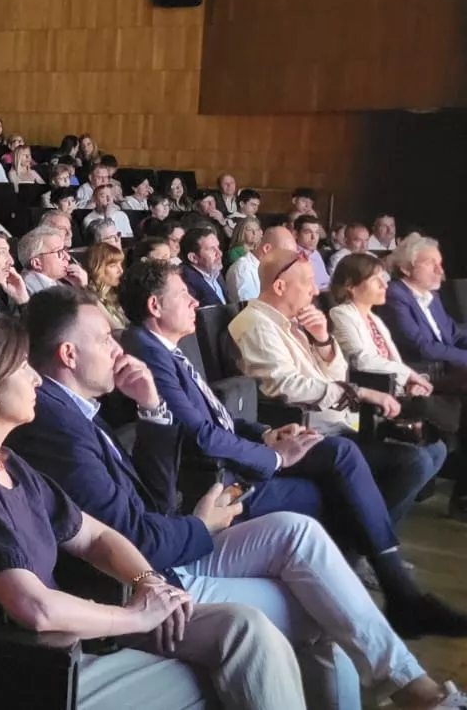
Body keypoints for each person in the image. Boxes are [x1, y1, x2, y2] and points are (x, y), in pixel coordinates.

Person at [12, 286, 467, 707]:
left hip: (168, 541)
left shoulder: (77, 408)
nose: (118, 348)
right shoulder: (57, 428)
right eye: (105, 339)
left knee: (298, 530)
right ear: (68, 354)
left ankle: (408, 683)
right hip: (142, 577)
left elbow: (153, 497)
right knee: (326, 608)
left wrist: (152, 410)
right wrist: (202, 525)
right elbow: (133, 537)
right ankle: (413, 687)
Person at [0, 314, 305, 710]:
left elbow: (95, 536)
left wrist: (148, 583)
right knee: (221, 675)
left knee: (244, 630)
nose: (37, 377)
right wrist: (134, 616)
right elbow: (34, 608)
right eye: (22, 367)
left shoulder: (8, 463)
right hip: (34, 670)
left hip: (79, 636)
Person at [121, 259, 467, 642]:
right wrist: (275, 457)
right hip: (215, 481)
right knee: (338, 469)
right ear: (156, 307)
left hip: (252, 449)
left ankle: (386, 594)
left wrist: (267, 434)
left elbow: (216, 417)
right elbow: (202, 435)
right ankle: (393, 594)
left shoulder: (166, 347)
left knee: (347, 466)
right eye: (184, 294)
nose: (193, 302)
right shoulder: (148, 352)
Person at [230, 247, 447, 530]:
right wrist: (359, 392)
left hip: (339, 421)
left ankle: (365, 540)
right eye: (307, 281)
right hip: (308, 430)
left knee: (434, 448)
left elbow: (335, 374)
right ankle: (359, 547)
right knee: (413, 462)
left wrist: (322, 340)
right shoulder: (257, 325)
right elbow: (284, 386)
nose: (316, 290)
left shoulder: (291, 321)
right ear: (280, 286)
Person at [330, 252, 466, 514]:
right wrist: (409, 376)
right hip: (371, 398)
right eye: (376, 280)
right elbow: (362, 360)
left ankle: (382, 522)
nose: (384, 285)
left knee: (437, 448)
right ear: (350, 285)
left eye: (384, 279)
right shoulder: (342, 314)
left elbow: (393, 360)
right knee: (448, 419)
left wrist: (411, 381)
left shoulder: (375, 319)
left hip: (397, 390)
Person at [378, 234, 467, 373]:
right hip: (422, 373)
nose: (440, 271)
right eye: (431, 264)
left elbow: (453, 333)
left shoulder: (431, 294)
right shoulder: (394, 296)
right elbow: (422, 347)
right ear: (406, 268)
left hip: (447, 368)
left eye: (440, 264)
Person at [226, 224, 294, 304]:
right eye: (285, 256)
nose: (288, 262)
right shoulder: (243, 269)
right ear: (267, 249)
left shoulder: (271, 270)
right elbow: (251, 311)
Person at [17, 225, 87, 294]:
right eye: (59, 252)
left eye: (65, 250)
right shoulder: (28, 291)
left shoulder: (57, 284)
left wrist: (79, 286)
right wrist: (83, 289)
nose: (67, 257)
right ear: (37, 263)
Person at [179, 226, 227, 308]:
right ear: (193, 258)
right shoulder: (184, 281)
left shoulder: (214, 270)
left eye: (218, 247)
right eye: (212, 249)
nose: (219, 253)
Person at [86, 242, 128, 329]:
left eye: (120, 264)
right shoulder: (90, 299)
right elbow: (118, 330)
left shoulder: (112, 295)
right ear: (98, 268)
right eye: (113, 266)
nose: (120, 271)